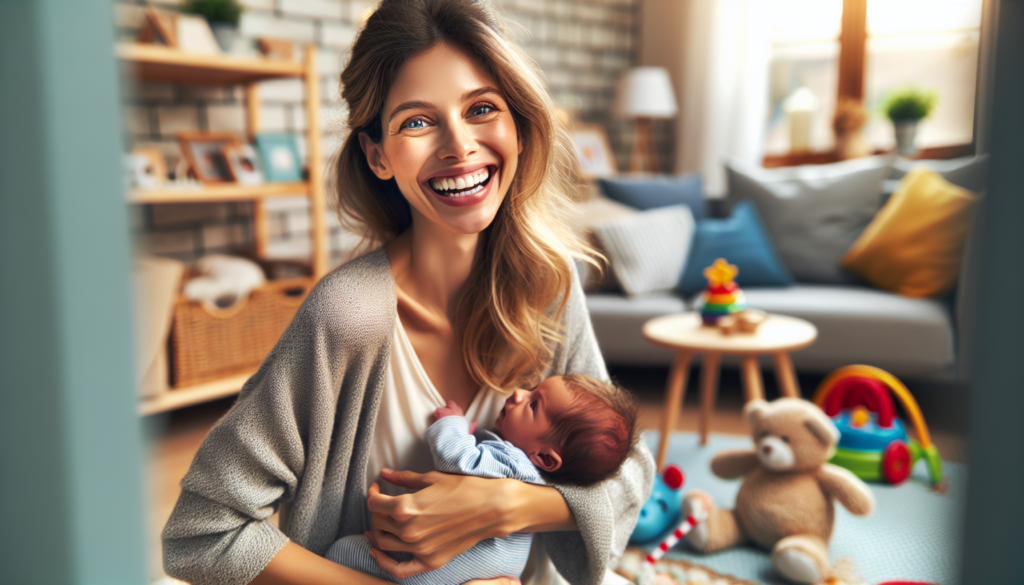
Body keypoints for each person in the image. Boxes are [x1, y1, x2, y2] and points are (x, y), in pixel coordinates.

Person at [161, 1, 655, 584]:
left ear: (518, 127)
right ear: (378, 156)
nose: (459, 146)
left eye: (482, 109)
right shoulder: (347, 318)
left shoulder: (549, 285)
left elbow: (627, 467)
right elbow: (200, 533)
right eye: (417, 122)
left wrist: (507, 506)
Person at [326, 374, 640, 584]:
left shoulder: (516, 465)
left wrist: (453, 425)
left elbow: (458, 458)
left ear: (545, 458)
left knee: (343, 552)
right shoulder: (538, 479)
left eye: (533, 404)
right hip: (487, 573)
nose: (518, 393)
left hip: (439, 572)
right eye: (531, 389)